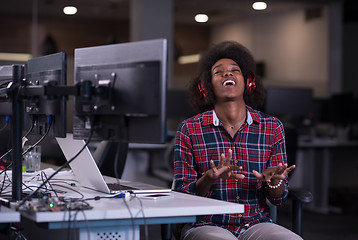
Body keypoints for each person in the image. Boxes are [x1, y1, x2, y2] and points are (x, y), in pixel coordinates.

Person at [173, 41, 302, 240]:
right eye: (218, 72)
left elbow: (278, 199)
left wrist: (275, 182)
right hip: (206, 224)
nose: (227, 74)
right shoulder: (189, 130)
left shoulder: (271, 127)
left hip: (255, 222)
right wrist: (209, 179)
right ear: (205, 86)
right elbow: (182, 198)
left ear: (249, 82)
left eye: (235, 70)